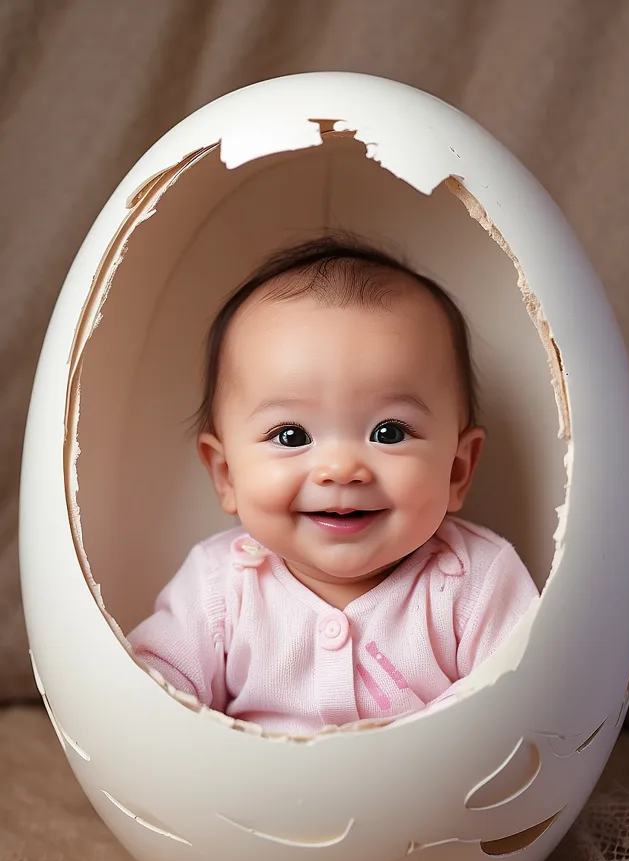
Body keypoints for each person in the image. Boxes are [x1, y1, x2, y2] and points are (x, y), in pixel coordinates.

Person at [128, 234, 538, 734]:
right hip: (250, 808)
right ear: (226, 474)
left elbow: (527, 697)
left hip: (429, 809)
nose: (341, 469)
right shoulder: (220, 586)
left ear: (457, 470)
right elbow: (148, 694)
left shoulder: (477, 584)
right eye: (291, 435)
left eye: (388, 433)